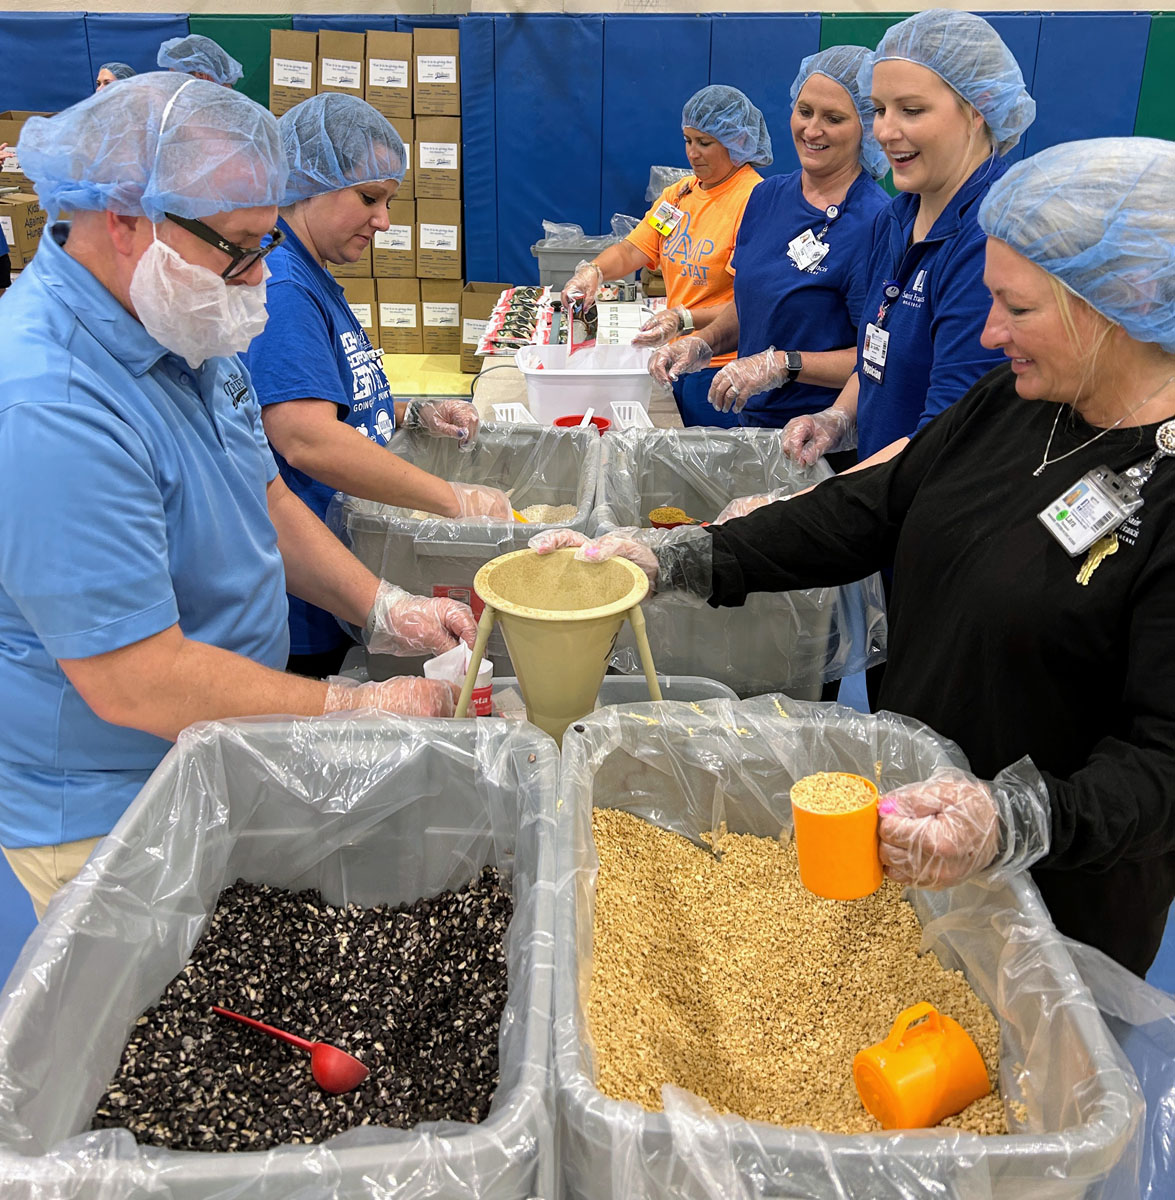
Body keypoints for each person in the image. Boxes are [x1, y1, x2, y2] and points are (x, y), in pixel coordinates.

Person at [530, 136, 1175, 978]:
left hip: (1054, 900)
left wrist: (1014, 819)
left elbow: (1161, 762)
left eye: (1017, 311)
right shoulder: (1018, 405)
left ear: (1120, 301)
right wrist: (674, 559)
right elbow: (871, 507)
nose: (988, 332)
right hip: (913, 832)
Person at [0, 75, 474, 917]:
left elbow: (265, 499)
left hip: (216, 744)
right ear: (125, 219)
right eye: (243, 248)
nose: (258, 279)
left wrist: (384, 608)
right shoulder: (52, 406)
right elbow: (137, 680)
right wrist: (351, 705)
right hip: (112, 804)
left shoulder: (179, 320)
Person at [242, 93, 505, 679]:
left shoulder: (313, 271)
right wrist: (452, 500)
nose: (384, 221)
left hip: (341, 568)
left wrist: (404, 411)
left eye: (388, 200)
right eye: (369, 198)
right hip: (312, 595)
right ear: (308, 181)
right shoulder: (284, 284)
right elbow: (305, 436)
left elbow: (325, 393)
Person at [781, 9, 1035, 470]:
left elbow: (946, 437)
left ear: (978, 109)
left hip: (931, 502)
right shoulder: (897, 218)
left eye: (911, 110)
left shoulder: (991, 239)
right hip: (880, 492)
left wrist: (809, 509)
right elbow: (878, 349)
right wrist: (839, 415)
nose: (884, 131)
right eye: (878, 109)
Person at [646, 47, 889, 437]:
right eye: (805, 112)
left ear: (866, 125)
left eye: (834, 118)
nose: (812, 130)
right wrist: (701, 342)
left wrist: (782, 365)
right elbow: (753, 306)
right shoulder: (768, 197)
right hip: (752, 424)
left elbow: (876, 358)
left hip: (819, 437)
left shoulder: (876, 223)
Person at [560, 84, 771, 426]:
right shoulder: (679, 195)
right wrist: (593, 272)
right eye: (688, 141)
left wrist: (682, 318)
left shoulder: (755, 200)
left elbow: (752, 302)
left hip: (722, 366)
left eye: (705, 143)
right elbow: (633, 249)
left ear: (739, 142)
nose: (693, 153)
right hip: (678, 357)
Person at [157, 34, 242, 88]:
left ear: (202, 76)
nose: (175, 88)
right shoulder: (240, 109)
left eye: (178, 80)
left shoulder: (207, 114)